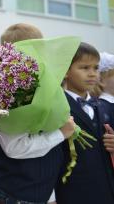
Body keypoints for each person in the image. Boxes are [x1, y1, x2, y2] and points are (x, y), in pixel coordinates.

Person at [0, 23, 76, 204]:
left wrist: (49, 194)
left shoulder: (36, 83)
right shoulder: (16, 90)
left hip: (34, 191)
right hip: (19, 194)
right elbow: (14, 148)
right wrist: (61, 133)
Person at [56, 43, 114, 203]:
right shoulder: (57, 107)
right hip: (72, 192)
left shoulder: (103, 106)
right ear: (66, 71)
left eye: (96, 68)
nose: (92, 74)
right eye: (84, 68)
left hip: (106, 191)